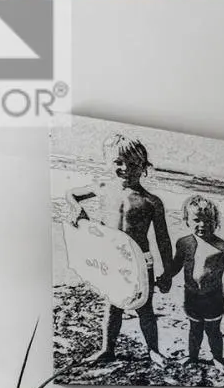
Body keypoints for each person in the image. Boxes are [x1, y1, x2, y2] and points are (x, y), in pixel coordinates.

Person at [69, 134, 175, 365]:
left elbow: (163, 239)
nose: (125, 168)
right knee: (113, 305)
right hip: (113, 259)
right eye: (119, 162)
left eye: (133, 164)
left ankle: (154, 351)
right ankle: (108, 350)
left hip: (140, 261)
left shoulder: (152, 201)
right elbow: (72, 194)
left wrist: (167, 272)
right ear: (109, 162)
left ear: (145, 167)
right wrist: (77, 209)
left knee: (145, 307)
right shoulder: (103, 188)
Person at [167, 195, 224, 371]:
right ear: (186, 220)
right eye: (197, 220)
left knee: (213, 330)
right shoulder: (183, 243)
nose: (203, 225)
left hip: (213, 297)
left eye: (208, 220)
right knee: (194, 328)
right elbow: (176, 265)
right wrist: (166, 277)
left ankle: (217, 358)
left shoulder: (222, 247)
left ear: (216, 221)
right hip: (191, 295)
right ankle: (193, 357)